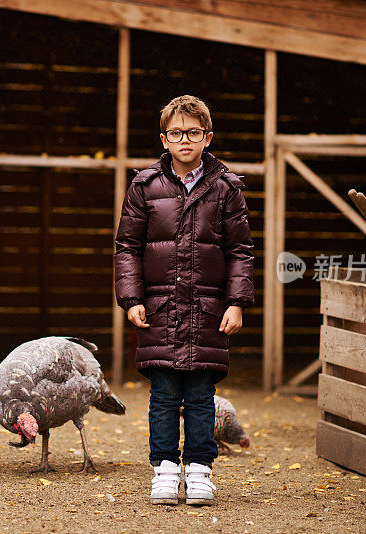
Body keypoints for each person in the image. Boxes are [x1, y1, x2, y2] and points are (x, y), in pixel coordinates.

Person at [114, 95, 254, 506]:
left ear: (207, 137)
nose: (185, 140)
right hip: (158, 311)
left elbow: (241, 251)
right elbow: (127, 247)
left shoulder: (227, 188)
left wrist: (236, 302)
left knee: (199, 395)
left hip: (208, 313)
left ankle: (199, 471)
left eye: (193, 132)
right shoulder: (144, 186)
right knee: (163, 395)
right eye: (176, 133)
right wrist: (131, 298)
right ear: (164, 138)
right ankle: (164, 470)